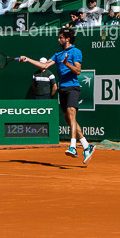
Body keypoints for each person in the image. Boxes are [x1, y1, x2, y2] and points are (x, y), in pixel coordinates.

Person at [16, 28, 91, 162]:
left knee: (71, 114)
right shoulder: (58, 54)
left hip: (72, 87)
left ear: (68, 39)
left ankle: (73, 146)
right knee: (69, 119)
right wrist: (27, 59)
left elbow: (78, 71)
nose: (58, 39)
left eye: (61, 37)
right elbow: (43, 65)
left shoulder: (76, 51)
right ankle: (86, 145)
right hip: (62, 89)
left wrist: (67, 63)